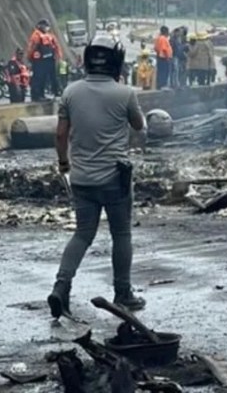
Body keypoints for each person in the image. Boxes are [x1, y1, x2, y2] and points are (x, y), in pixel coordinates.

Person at [48, 35, 147, 318]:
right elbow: (139, 125)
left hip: (81, 179)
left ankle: (61, 286)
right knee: (121, 233)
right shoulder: (125, 93)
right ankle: (123, 293)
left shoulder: (70, 92)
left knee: (82, 235)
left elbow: (60, 134)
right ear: (116, 62)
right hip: (115, 179)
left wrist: (64, 163)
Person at [27, 18, 62, 101]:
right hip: (39, 60)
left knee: (50, 77)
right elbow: (32, 47)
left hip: (49, 59)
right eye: (45, 25)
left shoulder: (50, 36)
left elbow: (56, 46)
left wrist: (58, 56)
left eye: (47, 25)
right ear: (39, 26)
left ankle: (53, 93)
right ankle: (37, 96)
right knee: (39, 78)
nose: (46, 27)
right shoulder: (36, 35)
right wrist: (30, 58)